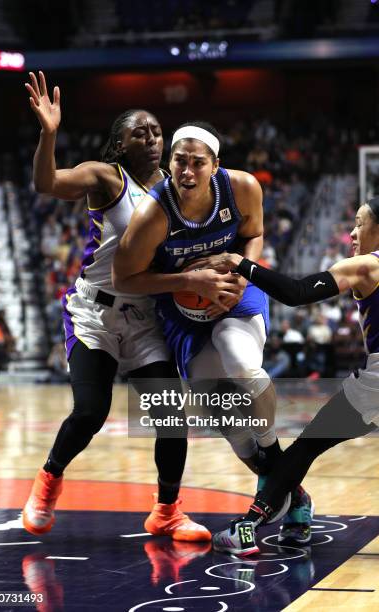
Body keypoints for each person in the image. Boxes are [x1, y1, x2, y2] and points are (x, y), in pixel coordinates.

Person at [22, 71, 217, 542]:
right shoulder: (106, 178)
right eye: (139, 132)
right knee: (91, 412)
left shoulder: (180, 189)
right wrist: (49, 134)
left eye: (156, 131)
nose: (151, 138)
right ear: (121, 144)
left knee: (172, 419)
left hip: (148, 315)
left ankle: (167, 510)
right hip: (97, 312)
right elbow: (46, 183)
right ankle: (47, 482)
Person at [113, 121, 312, 538]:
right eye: (179, 162)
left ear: (215, 165)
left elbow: (253, 234)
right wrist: (187, 282)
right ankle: (291, 489)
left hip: (234, 297)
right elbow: (124, 280)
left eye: (197, 163)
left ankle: (272, 458)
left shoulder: (242, 188)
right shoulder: (153, 212)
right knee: (218, 413)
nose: (186, 172)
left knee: (240, 362)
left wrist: (241, 274)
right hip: (184, 314)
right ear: (169, 164)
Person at [212, 197, 379, 557]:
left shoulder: (366, 266)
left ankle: (248, 526)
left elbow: (297, 293)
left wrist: (244, 265)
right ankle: (294, 518)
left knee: (307, 446)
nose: (351, 232)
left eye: (360, 223)